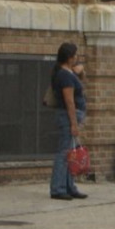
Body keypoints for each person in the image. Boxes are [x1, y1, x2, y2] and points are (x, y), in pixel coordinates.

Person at [49, 42, 88, 201]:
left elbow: (82, 79)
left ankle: (69, 186)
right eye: (75, 55)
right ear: (69, 57)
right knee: (64, 152)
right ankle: (58, 188)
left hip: (71, 115)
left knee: (70, 153)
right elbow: (69, 101)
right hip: (67, 116)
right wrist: (73, 124)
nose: (77, 58)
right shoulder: (64, 76)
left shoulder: (68, 72)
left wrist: (80, 71)